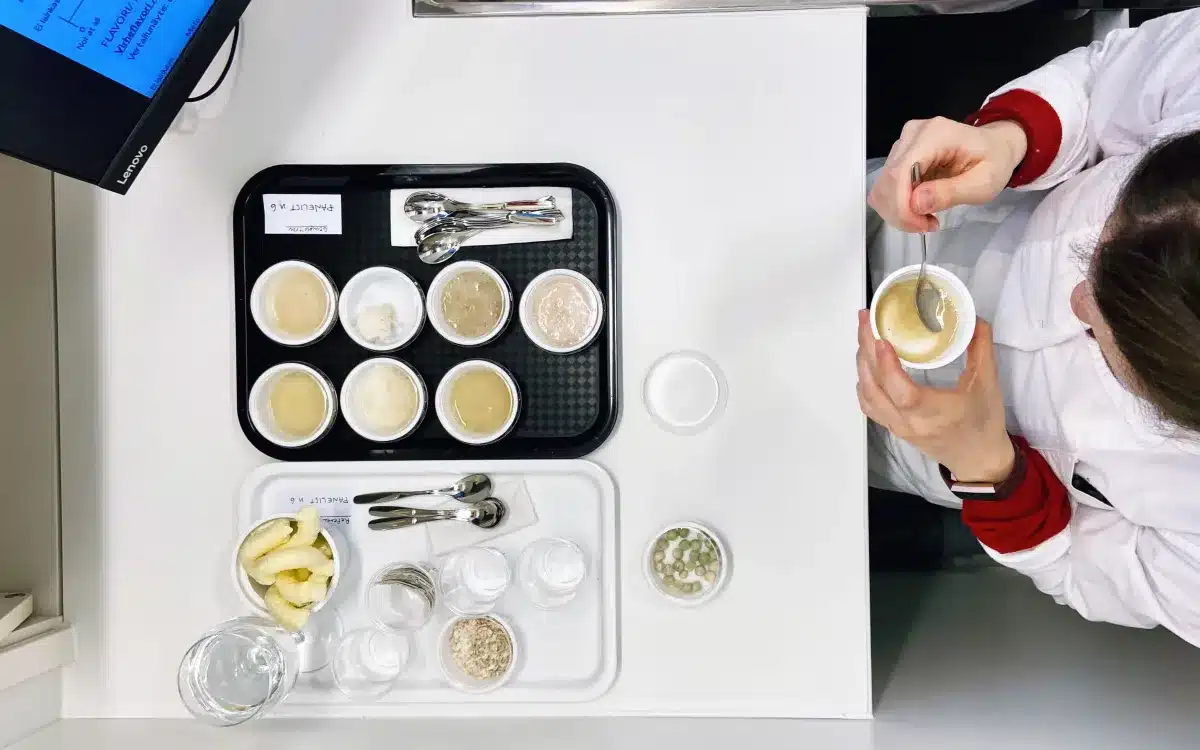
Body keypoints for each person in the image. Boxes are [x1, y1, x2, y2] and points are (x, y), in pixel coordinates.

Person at [861, 9, 1200, 646]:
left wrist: (988, 469)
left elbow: (1082, 569)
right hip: (887, 220)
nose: (1076, 301)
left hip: (880, 443)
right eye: (1101, 240)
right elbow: (1104, 83)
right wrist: (1009, 141)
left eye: (1111, 336)